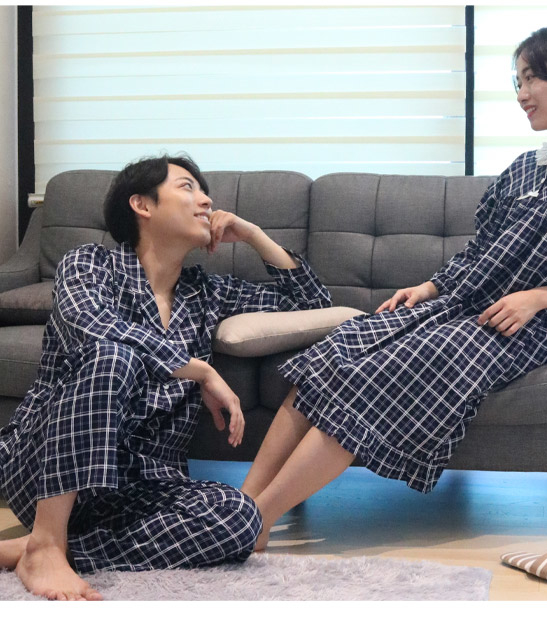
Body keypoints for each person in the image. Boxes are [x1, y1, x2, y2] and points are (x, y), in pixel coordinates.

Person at [240, 26, 547, 551]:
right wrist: (429, 287)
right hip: (460, 303)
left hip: (516, 327)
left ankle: (257, 523)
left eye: (531, 79)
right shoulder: (528, 165)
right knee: (337, 350)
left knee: (377, 376)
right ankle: (242, 505)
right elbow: (480, 251)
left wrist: (543, 297)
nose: (521, 94)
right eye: (517, 81)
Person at [0, 155, 331, 600]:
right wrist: (199, 369)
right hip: (47, 468)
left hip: (142, 485)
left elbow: (313, 305)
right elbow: (91, 325)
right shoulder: (89, 264)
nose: (206, 200)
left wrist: (254, 235)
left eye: (204, 191)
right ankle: (47, 538)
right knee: (111, 357)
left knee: (242, 517)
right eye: (187, 187)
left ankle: (38, 549)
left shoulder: (206, 292)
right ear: (142, 205)